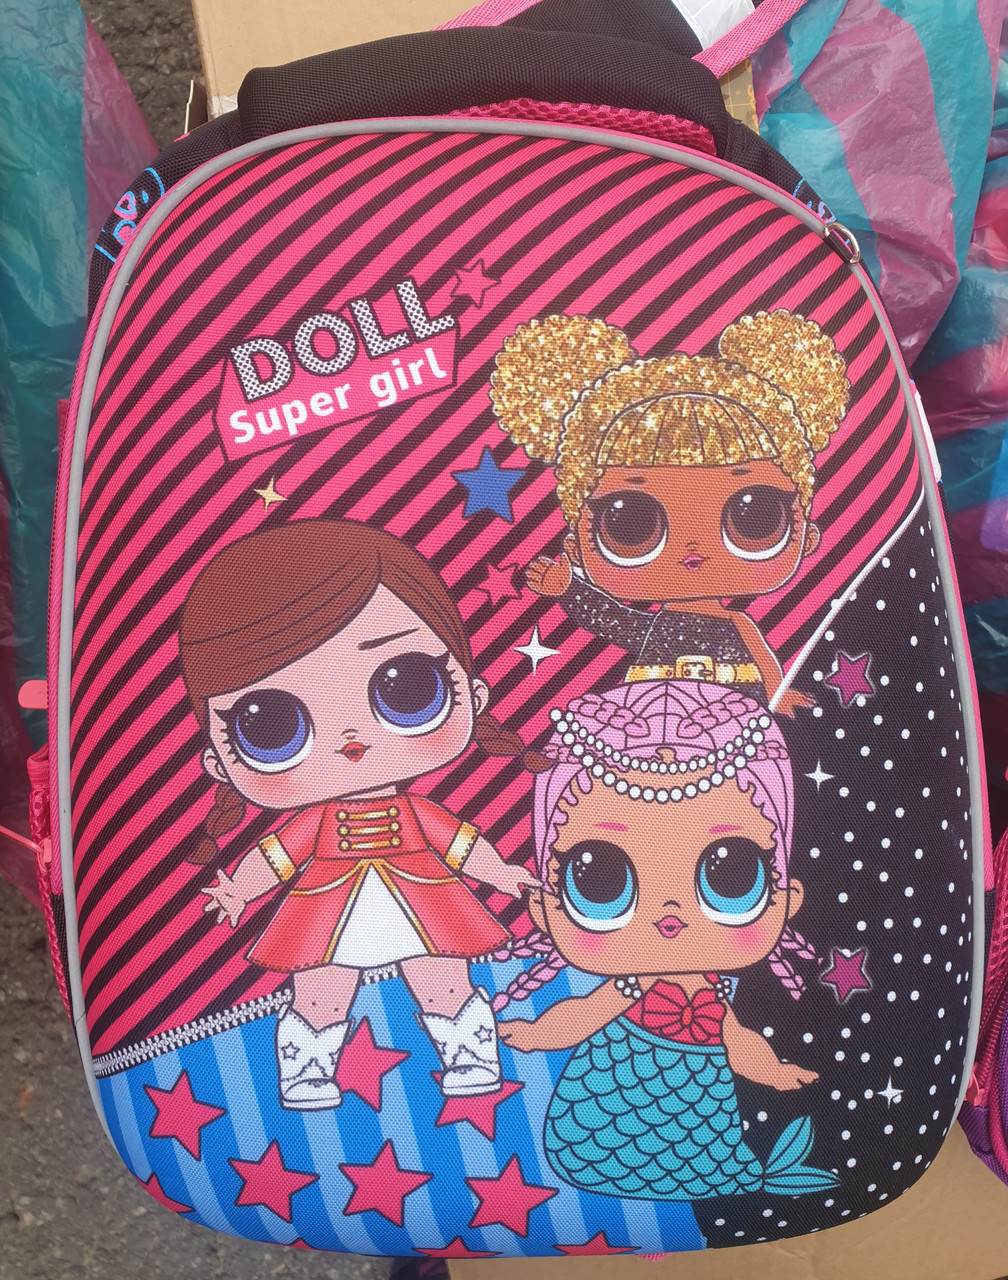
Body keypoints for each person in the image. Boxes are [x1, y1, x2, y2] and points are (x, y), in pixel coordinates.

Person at [179, 518, 542, 1110]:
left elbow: (459, 844)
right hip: (328, 902)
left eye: (408, 690)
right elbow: (277, 856)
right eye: (270, 726)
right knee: (320, 988)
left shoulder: (416, 813)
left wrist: (502, 873)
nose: (351, 740)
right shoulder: (316, 823)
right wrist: (240, 890)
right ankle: (309, 1070)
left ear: (473, 697)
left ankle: (470, 1056)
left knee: (442, 977)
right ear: (218, 761)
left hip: (420, 892)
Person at [497, 679, 836, 1200]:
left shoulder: (709, 990)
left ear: (786, 899)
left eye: (731, 876)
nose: (669, 914)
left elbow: (735, 1038)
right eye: (600, 880)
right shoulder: (638, 984)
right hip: (617, 1092)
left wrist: (771, 1069)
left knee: (698, 1150)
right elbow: (585, 1015)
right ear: (544, 907)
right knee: (608, 1141)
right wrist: (537, 1034)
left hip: (698, 1098)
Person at [491, 310, 849, 712]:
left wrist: (779, 696)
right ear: (576, 548)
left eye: (754, 518)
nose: (693, 549)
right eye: (631, 524)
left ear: (807, 537)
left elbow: (765, 664)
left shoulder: (737, 625)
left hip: (738, 717)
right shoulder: (659, 627)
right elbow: (609, 620)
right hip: (655, 720)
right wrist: (569, 589)